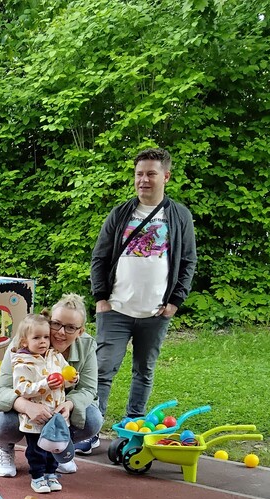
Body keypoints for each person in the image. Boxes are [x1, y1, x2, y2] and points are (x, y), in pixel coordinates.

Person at [90, 145, 197, 434]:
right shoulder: (120, 213)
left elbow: (188, 261)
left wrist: (174, 302)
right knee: (102, 370)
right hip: (116, 308)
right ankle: (91, 428)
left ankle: (134, 425)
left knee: (144, 371)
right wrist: (101, 298)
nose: (143, 180)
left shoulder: (180, 216)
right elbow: (100, 256)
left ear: (166, 177)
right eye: (139, 174)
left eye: (151, 174)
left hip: (156, 312)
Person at [0, 294, 101, 476]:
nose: (61, 332)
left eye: (71, 327)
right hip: (24, 401)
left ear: (80, 331)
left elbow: (88, 388)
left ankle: (59, 448)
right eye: (56, 324)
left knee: (92, 419)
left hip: (57, 407)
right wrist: (26, 406)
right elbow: (2, 388)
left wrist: (70, 404)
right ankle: (6, 448)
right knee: (5, 423)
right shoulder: (24, 340)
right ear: (49, 321)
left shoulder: (87, 345)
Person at [9, 314, 69, 495]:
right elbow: (21, 388)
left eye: (46, 337)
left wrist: (71, 378)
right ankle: (37, 476)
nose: (43, 341)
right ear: (24, 341)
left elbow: (65, 374)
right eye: (36, 337)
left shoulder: (55, 356)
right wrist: (45, 384)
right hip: (35, 419)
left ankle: (51, 473)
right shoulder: (22, 362)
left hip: (55, 415)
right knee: (37, 449)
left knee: (55, 446)